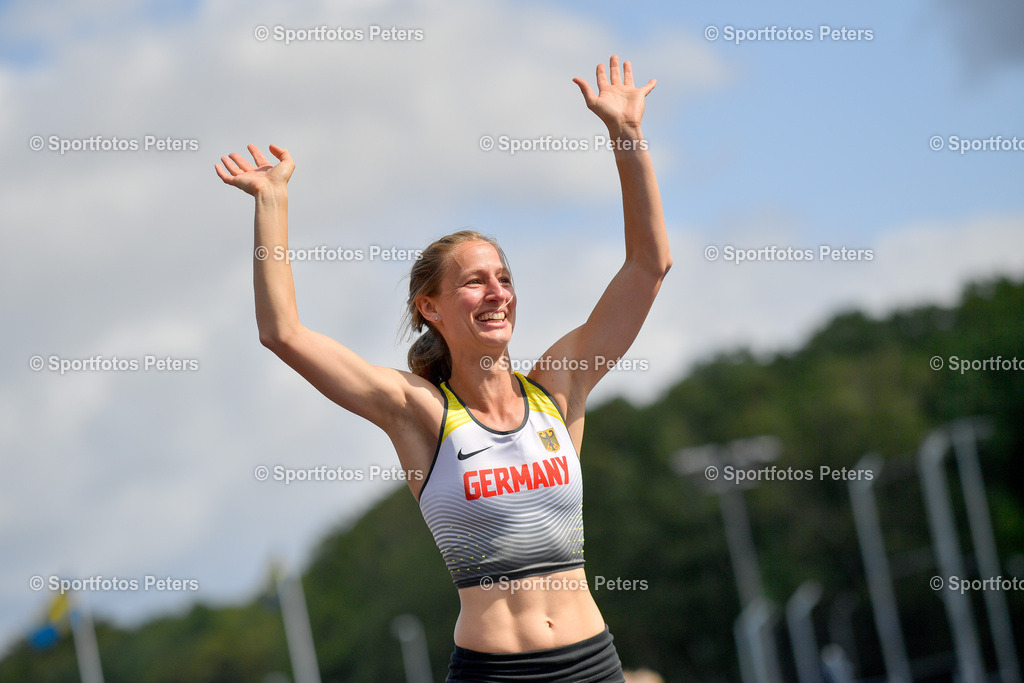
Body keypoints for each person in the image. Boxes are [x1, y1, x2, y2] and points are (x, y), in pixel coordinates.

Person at [215, 55, 670, 683]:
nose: (497, 292)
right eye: (475, 282)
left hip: (592, 664)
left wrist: (627, 134)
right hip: (494, 672)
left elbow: (648, 267)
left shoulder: (560, 386)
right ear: (429, 307)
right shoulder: (420, 412)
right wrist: (272, 201)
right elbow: (282, 333)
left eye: (504, 278)